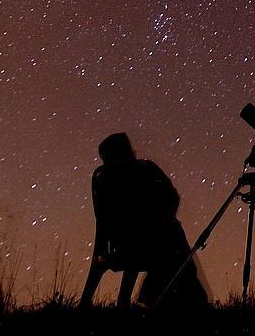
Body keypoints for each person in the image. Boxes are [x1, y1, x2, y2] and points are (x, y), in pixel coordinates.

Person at [79, 132, 208, 309]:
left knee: (154, 238)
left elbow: (103, 220)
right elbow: (172, 198)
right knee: (173, 237)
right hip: (151, 247)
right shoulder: (146, 169)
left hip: (120, 247)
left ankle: (92, 303)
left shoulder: (103, 178)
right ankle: (178, 301)